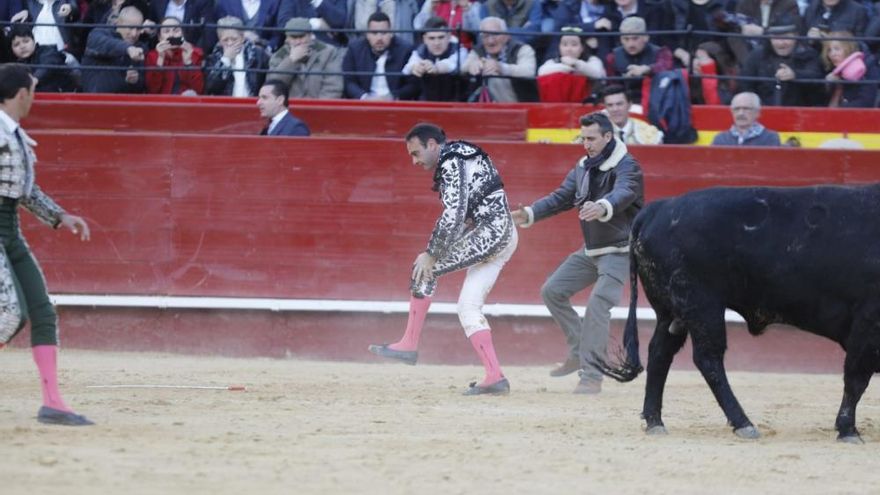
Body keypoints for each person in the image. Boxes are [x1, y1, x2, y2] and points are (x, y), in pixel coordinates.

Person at [368, 123, 518, 396]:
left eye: (416, 153)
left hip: (491, 232)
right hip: (502, 232)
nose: (414, 161)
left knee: (424, 269)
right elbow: (461, 216)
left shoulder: (451, 161)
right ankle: (495, 376)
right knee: (468, 307)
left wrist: (432, 252)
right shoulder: (461, 155)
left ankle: (410, 343)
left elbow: (455, 214)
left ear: (433, 145)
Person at [511, 112, 644, 394]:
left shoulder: (628, 165)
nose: (587, 144)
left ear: (608, 137)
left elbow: (624, 192)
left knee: (598, 306)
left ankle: (592, 375)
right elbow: (562, 197)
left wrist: (603, 207)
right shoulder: (583, 166)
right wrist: (530, 213)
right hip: (593, 249)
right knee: (552, 291)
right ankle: (578, 350)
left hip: (620, 251)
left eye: (592, 138)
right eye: (583, 138)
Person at [0, 63, 92, 425]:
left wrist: (59, 215)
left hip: (9, 231)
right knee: (10, 314)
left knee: (40, 311)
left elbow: (22, 191)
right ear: (21, 94)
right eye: (34, 91)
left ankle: (53, 402)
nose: (35, 98)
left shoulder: (14, 133)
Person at [739, 17, 824, 106]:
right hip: (763, 112)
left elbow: (817, 78)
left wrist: (795, 75)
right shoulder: (757, 55)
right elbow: (745, 85)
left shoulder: (808, 54)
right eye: (776, 38)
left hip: (800, 112)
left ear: (795, 36)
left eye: (786, 37)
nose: (781, 43)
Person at [342, 12, 419, 101]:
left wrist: (393, 96)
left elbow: (413, 85)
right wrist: (365, 98)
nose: (379, 38)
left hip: (395, 105)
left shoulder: (405, 49)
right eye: (374, 33)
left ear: (391, 33)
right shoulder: (354, 49)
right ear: (367, 35)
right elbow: (349, 82)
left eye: (384, 33)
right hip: (364, 104)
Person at [266, 17, 345, 100]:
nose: (298, 42)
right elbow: (273, 87)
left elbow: (333, 87)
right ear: (287, 38)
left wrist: (319, 108)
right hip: (290, 108)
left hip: (319, 107)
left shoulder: (328, 52)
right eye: (294, 37)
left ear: (311, 35)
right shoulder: (279, 55)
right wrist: (291, 61)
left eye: (301, 37)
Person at [462, 16, 538, 102]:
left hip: (519, 103)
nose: (490, 41)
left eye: (495, 34)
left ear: (506, 36)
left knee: (495, 77)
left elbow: (528, 71)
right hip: (482, 103)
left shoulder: (522, 49)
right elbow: (463, 67)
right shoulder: (478, 50)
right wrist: (473, 65)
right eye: (485, 36)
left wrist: (501, 68)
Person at [604, 16, 673, 105]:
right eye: (626, 39)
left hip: (655, 102)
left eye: (635, 38)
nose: (631, 44)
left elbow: (666, 66)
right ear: (621, 39)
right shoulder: (612, 57)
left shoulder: (661, 52)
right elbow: (611, 85)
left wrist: (647, 69)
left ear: (646, 37)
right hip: (624, 104)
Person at [80, 5, 147, 93]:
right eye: (130, 28)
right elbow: (105, 43)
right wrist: (128, 48)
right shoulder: (98, 33)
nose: (134, 33)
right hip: (95, 102)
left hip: (123, 103)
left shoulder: (140, 47)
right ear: (118, 23)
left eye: (138, 29)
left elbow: (141, 87)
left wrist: (134, 81)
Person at [402, 16, 469, 101]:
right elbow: (407, 69)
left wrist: (435, 68)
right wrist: (415, 67)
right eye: (432, 38)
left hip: (455, 105)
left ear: (449, 36)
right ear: (425, 39)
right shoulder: (420, 51)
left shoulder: (460, 50)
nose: (436, 43)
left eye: (441, 37)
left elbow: (452, 64)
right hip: (427, 105)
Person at [204, 16, 270, 97]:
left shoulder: (258, 55)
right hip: (227, 106)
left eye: (234, 39)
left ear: (242, 38)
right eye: (225, 40)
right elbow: (211, 88)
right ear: (220, 41)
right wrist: (225, 60)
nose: (230, 43)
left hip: (254, 104)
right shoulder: (213, 58)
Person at [537, 25, 605, 103]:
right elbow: (541, 72)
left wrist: (576, 63)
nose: (569, 49)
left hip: (585, 102)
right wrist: (568, 66)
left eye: (574, 45)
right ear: (559, 47)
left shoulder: (592, 60)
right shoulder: (553, 61)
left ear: (582, 47)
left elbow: (598, 73)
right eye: (565, 45)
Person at [7, 23, 79, 92]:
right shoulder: (16, 65)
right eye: (16, 44)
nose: (22, 46)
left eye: (26, 41)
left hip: (64, 96)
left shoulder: (48, 51)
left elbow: (48, 65)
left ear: (34, 41)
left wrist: (34, 79)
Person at [145, 16, 205, 95]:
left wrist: (188, 62)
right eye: (166, 31)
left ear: (182, 35)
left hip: (186, 103)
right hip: (162, 103)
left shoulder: (195, 53)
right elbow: (152, 90)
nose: (172, 35)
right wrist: (160, 59)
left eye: (176, 31)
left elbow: (199, 89)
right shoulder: (152, 56)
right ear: (159, 37)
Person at [821, 31, 878, 107]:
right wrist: (828, 84)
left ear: (848, 48)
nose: (832, 54)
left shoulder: (865, 67)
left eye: (837, 49)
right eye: (829, 50)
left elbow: (866, 102)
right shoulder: (833, 69)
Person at [711, 91, 782, 146]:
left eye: (746, 109)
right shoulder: (721, 139)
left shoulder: (770, 138)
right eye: (736, 109)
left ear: (757, 112)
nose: (740, 113)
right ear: (731, 112)